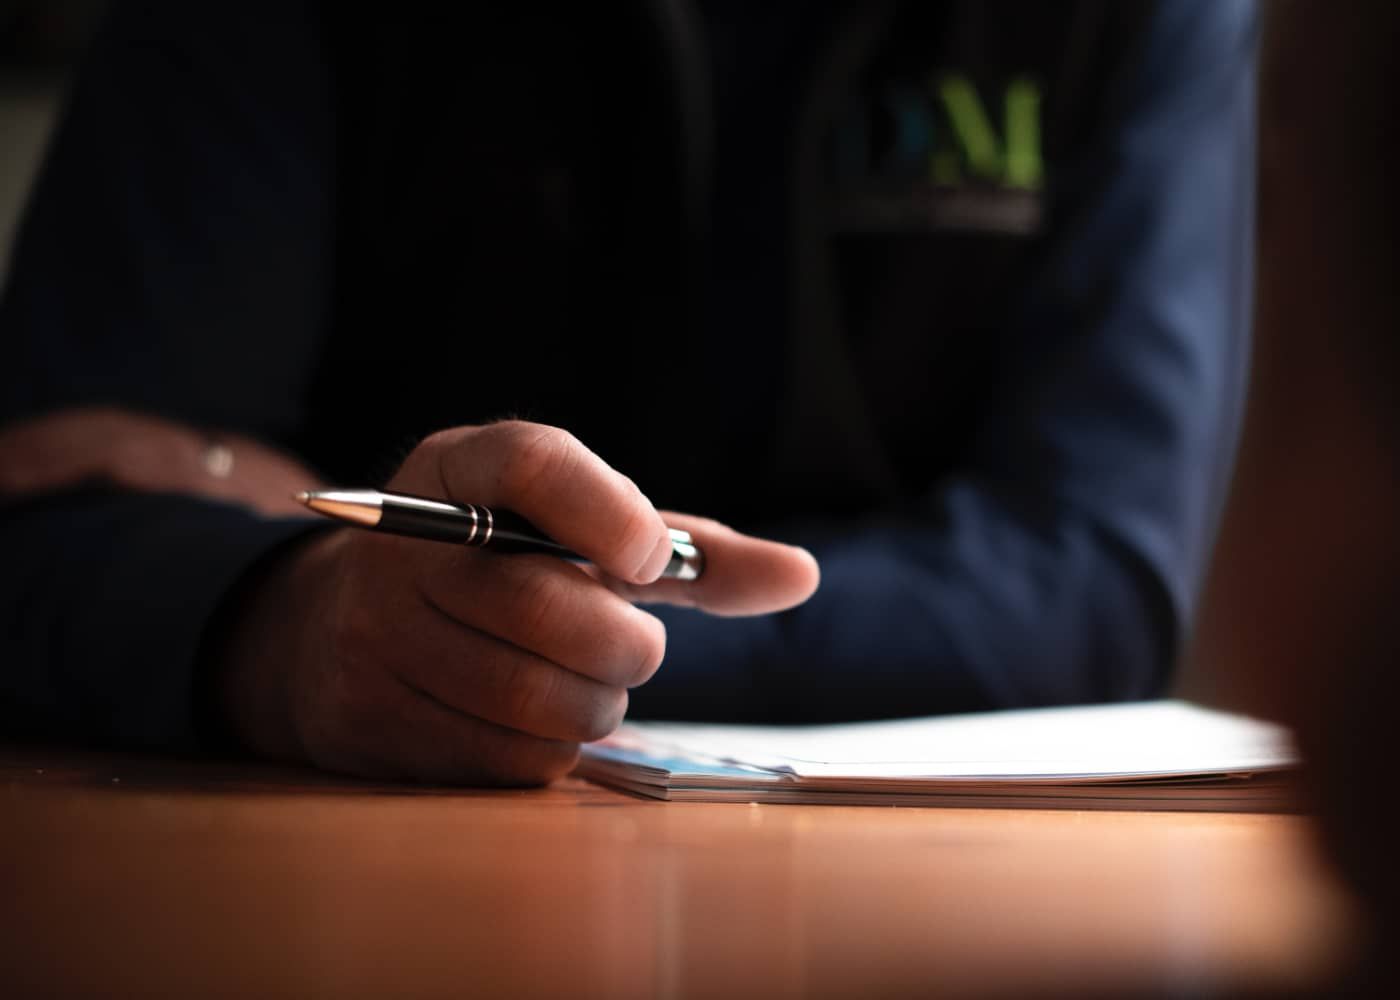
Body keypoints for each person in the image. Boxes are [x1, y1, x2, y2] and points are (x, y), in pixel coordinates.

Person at [0, 1, 1258, 784]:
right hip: (344, 873)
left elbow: (1092, 587)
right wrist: (288, 631)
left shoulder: (1146, 18)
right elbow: (52, 503)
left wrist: (469, 615)